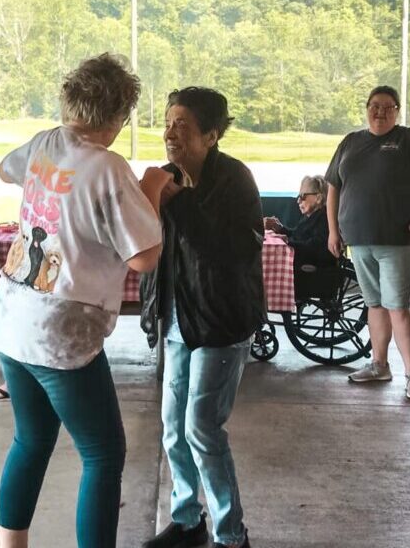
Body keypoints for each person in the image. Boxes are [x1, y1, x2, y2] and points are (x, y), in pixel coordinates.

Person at [0, 53, 168, 548]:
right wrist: (151, 188)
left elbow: (7, 170)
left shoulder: (46, 142)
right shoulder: (109, 168)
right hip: (61, 331)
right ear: (117, 116)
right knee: (103, 453)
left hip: (12, 318)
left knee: (31, 439)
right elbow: (144, 256)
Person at [140, 87, 266, 548]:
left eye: (184, 125)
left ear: (211, 135)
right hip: (176, 319)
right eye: (169, 122)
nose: (171, 132)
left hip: (221, 321)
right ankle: (188, 520)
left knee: (202, 427)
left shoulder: (235, 180)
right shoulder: (165, 178)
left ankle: (232, 535)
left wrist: (178, 205)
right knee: (173, 428)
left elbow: (234, 251)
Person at [325, 85, 410, 400]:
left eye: (387, 107)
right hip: (358, 239)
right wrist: (333, 231)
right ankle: (379, 365)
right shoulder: (351, 141)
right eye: (374, 106)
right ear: (366, 108)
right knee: (374, 304)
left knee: (398, 307)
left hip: (395, 240)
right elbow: (333, 187)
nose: (380, 111)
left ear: (397, 110)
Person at [264, 174, 335, 268]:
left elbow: (313, 247)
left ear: (318, 198)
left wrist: (287, 241)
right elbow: (298, 235)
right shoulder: (311, 216)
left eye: (302, 196)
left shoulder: (324, 219)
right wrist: (280, 228)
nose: (298, 201)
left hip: (311, 268)